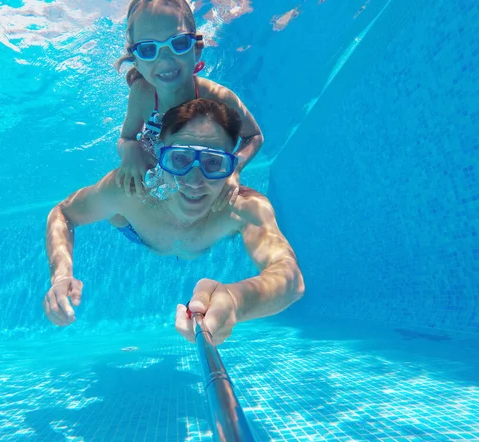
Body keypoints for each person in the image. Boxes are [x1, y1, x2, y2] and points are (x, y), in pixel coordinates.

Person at [44, 99, 304, 345]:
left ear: (232, 166)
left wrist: (236, 301)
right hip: (134, 228)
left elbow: (289, 276)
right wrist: (61, 275)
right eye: (180, 158)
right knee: (118, 211)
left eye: (214, 163)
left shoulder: (243, 207)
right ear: (160, 156)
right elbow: (63, 213)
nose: (194, 180)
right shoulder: (128, 189)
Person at [112, 0, 264, 215]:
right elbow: (126, 138)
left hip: (200, 172)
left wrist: (235, 169)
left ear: (196, 50)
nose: (165, 60)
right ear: (136, 61)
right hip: (158, 161)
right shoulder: (142, 94)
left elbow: (255, 136)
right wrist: (130, 150)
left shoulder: (218, 98)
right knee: (118, 211)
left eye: (179, 43)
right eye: (148, 49)